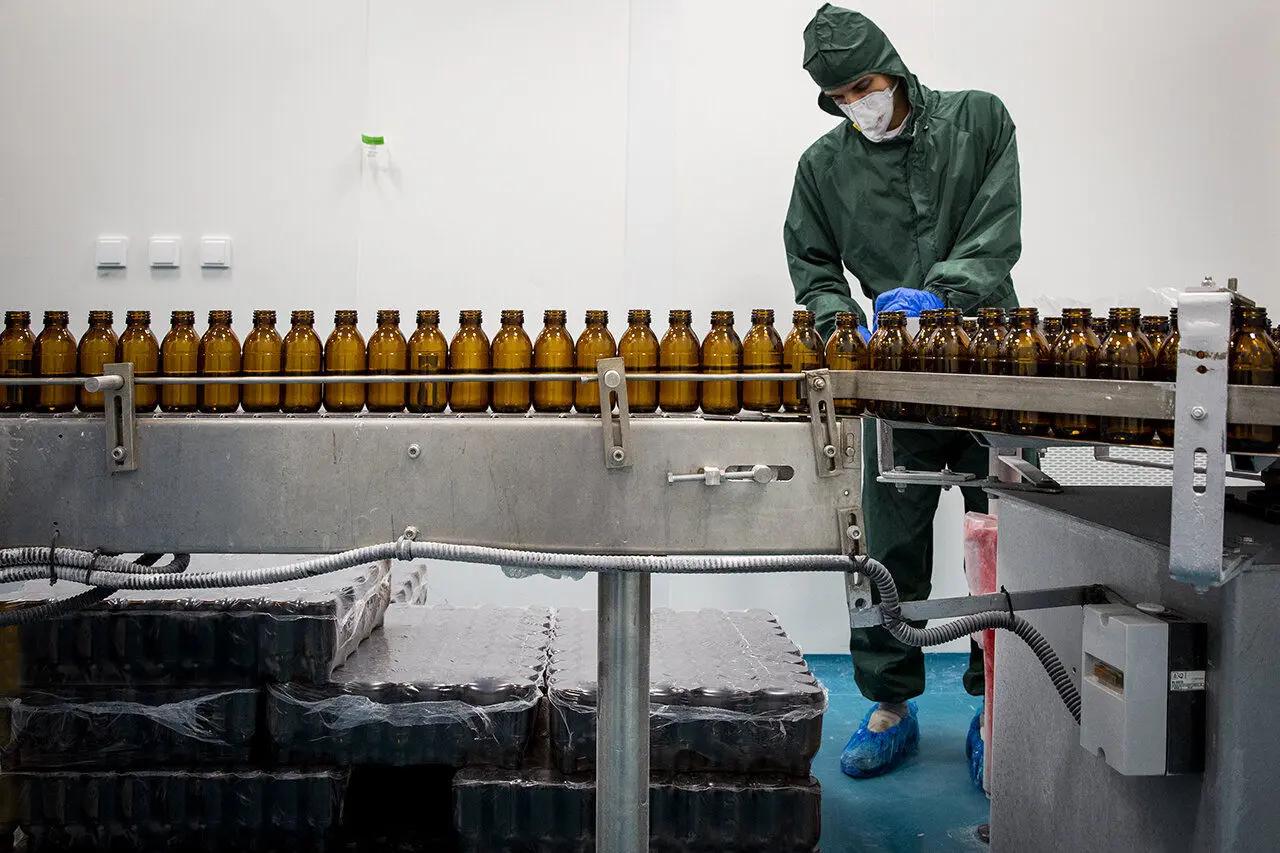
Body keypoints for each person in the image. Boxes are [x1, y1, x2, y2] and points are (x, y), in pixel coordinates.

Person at [784, 4, 1021, 782]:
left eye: (867, 85)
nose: (860, 103)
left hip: (990, 368)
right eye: (842, 96)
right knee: (886, 548)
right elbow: (815, 267)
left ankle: (998, 705)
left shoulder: (979, 123)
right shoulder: (824, 168)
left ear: (894, 68)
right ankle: (890, 703)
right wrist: (837, 319)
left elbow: (995, 229)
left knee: (1003, 541)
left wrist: (943, 295)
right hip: (896, 380)